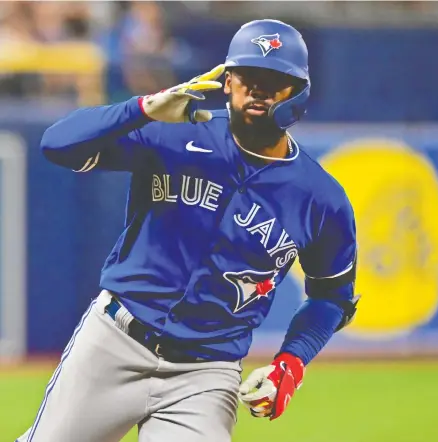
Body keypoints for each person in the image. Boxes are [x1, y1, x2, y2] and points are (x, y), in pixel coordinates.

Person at [17, 19, 359, 442]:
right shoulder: (175, 131)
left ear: (301, 92)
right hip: (114, 342)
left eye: (275, 81)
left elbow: (331, 297)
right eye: (248, 77)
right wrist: (141, 108)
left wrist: (292, 360)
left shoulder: (321, 198)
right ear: (227, 80)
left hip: (204, 374)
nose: (258, 90)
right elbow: (58, 144)